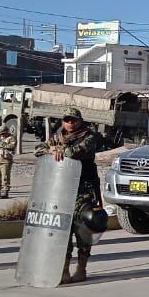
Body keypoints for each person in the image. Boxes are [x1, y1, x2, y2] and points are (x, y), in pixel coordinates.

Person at [35, 107, 104, 284]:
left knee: (83, 230)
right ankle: (63, 270)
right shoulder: (57, 137)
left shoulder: (89, 136)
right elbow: (38, 149)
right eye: (67, 120)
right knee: (62, 231)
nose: (70, 123)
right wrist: (51, 150)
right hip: (62, 190)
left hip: (84, 190)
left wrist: (58, 150)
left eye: (73, 120)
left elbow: (76, 152)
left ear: (80, 121)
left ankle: (81, 268)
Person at [0, 126, 16, 199]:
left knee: (5, 177)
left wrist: (2, 144)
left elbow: (12, 146)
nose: (1, 135)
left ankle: (6, 192)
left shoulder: (11, 138)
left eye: (2, 133)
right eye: (0, 134)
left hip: (6, 160)